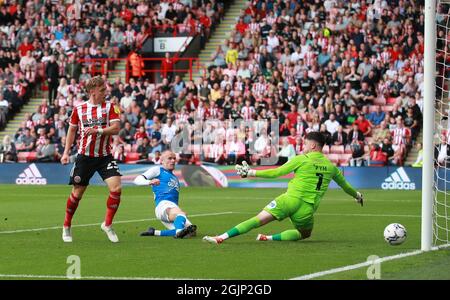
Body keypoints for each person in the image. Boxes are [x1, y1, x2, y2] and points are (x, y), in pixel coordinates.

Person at [203, 132, 363, 244]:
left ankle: (222, 237)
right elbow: (346, 186)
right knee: (304, 234)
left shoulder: (301, 159)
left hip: (288, 200)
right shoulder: (331, 166)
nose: (303, 146)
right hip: (306, 210)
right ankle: (268, 238)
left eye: (305, 144)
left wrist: (251, 172)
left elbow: (276, 172)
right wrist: (357, 195)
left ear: (313, 145)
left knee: (257, 220)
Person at [60, 76, 122, 243]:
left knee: (116, 188)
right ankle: (66, 226)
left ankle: (107, 224)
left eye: (105, 90)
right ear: (92, 92)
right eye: (102, 90)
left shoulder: (111, 107)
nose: (105, 93)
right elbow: (72, 131)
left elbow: (116, 128)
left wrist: (98, 131)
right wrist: (66, 152)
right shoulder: (79, 109)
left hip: (104, 156)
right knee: (77, 194)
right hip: (85, 157)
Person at [133, 150, 197, 238]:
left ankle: (154, 232)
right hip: (163, 205)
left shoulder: (174, 177)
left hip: (172, 207)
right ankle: (179, 233)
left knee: (191, 231)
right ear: (162, 160)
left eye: (174, 158)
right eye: (170, 158)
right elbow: (137, 179)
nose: (173, 161)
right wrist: (149, 182)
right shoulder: (158, 170)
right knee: (181, 215)